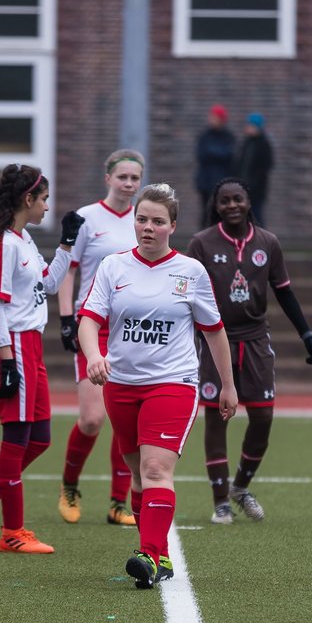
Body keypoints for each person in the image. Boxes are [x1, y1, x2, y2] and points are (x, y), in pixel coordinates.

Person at [77, 183, 236, 588]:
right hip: (121, 385)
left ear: (172, 227)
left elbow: (214, 332)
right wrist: (94, 356)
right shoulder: (113, 267)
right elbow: (89, 320)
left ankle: (147, 553)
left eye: (157, 221)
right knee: (136, 474)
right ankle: (159, 556)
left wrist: (228, 386)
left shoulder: (190, 271)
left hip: (173, 383)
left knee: (155, 468)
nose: (148, 227)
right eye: (142, 219)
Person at [0, 164, 79, 554]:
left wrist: (66, 245)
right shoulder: (1, 244)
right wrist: (8, 360)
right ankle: (13, 531)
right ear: (27, 199)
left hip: (31, 347)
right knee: (16, 439)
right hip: (15, 347)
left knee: (39, 439)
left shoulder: (22, 240)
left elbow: (49, 283)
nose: (46, 206)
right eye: (43, 199)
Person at [188, 177, 312, 525]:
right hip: (216, 341)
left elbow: (285, 292)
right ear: (215, 207)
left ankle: (240, 487)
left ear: (249, 202)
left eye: (238, 199)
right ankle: (220, 501)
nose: (232, 205)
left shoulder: (268, 243)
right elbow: (184, 295)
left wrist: (306, 333)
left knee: (262, 417)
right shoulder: (201, 244)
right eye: (225, 201)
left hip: (256, 341)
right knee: (217, 417)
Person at [54, 150, 144, 528]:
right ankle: (70, 486)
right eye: (122, 176)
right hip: (92, 324)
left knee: (125, 420)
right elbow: (68, 271)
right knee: (92, 418)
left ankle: (117, 502)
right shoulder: (87, 218)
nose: (128, 184)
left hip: (130, 327)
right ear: (107, 178)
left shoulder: (144, 219)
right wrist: (65, 319)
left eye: (135, 178)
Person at [195, 105, 235, 228]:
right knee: (206, 212)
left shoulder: (228, 137)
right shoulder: (205, 136)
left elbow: (229, 155)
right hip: (206, 182)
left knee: (222, 213)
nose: (212, 120)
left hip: (222, 182)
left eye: (215, 117)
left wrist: (213, 152)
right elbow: (201, 155)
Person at [237, 113, 274, 228]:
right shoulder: (247, 143)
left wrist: (253, 182)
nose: (247, 127)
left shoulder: (263, 144)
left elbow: (266, 166)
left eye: (250, 125)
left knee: (256, 214)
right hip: (244, 187)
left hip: (257, 189)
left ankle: (261, 240)